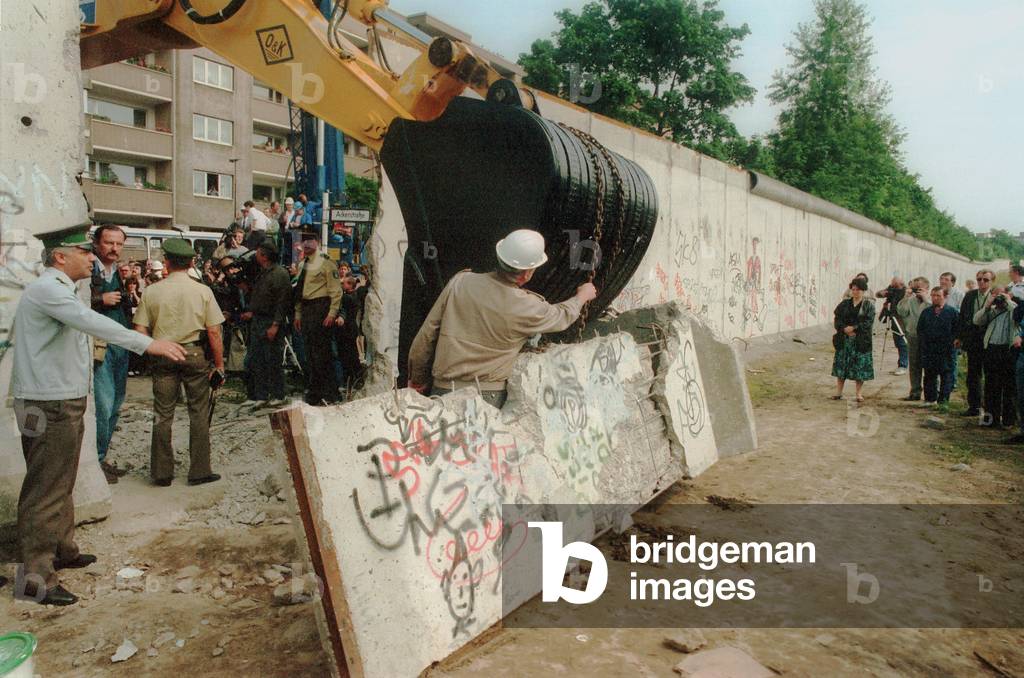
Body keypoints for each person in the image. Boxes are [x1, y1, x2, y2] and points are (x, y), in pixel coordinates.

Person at [11, 227, 185, 606]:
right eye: (83, 251)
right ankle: (35, 579)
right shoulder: (50, 290)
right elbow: (93, 323)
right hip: (50, 403)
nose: (91, 257)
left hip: (56, 399)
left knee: (61, 479)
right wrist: (148, 344)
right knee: (46, 488)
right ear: (60, 257)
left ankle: (62, 549)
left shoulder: (61, 289)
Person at [408, 229, 597, 408]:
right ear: (527, 273)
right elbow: (562, 315)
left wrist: (417, 379)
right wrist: (582, 296)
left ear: (500, 258)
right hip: (486, 396)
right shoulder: (528, 306)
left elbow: (426, 335)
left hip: (443, 390)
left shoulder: (460, 282)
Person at [133, 239, 225, 486]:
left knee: (162, 414)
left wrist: (153, 350)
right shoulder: (203, 291)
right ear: (192, 263)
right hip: (194, 354)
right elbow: (214, 332)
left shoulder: (151, 291)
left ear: (167, 262)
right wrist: (219, 365)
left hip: (163, 353)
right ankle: (200, 471)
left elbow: (139, 329)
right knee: (198, 412)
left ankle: (161, 473)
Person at [89, 226, 135, 483]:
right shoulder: (88, 269)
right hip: (100, 346)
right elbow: (71, 304)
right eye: (108, 242)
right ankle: (94, 462)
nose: (114, 248)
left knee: (116, 404)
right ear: (97, 243)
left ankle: (102, 457)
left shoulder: (116, 271)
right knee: (103, 404)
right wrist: (99, 299)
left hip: (119, 345)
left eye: (119, 244)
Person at [293, 232, 342, 404]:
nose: (306, 244)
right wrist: (298, 314)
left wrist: (332, 313)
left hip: (321, 308)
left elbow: (336, 290)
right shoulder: (302, 264)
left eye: (310, 241)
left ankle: (330, 392)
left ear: (318, 242)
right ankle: (315, 391)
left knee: (322, 353)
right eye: (303, 241)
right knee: (309, 353)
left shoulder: (326, 262)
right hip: (307, 309)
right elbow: (300, 291)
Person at [242, 240, 292, 407]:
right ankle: (261, 396)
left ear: (264, 256)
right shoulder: (263, 273)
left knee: (273, 360)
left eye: (258, 253)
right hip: (258, 320)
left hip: (271, 322)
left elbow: (282, 302)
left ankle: (279, 394)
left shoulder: (279, 274)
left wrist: (275, 325)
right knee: (257, 360)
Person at [973, 284, 1017, 428]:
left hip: (1008, 350)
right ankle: (991, 419)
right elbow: (977, 320)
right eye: (995, 294)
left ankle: (1008, 420)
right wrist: (987, 305)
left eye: (1001, 294)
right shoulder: (992, 310)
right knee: (991, 386)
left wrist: (1007, 300)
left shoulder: (1013, 309)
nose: (998, 298)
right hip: (991, 349)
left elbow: (1017, 313)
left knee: (1008, 387)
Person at [831, 278, 875, 402]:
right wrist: (844, 328)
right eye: (853, 289)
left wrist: (854, 328)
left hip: (860, 340)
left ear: (863, 291)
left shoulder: (868, 306)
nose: (855, 292)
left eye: (858, 290)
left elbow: (868, 322)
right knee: (842, 366)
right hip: (844, 339)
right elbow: (837, 318)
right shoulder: (844, 304)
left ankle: (858, 393)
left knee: (859, 367)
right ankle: (838, 392)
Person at [957, 270, 994, 417]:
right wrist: (960, 337)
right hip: (973, 340)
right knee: (973, 374)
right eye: (979, 279)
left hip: (991, 341)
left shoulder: (996, 296)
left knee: (990, 375)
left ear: (992, 281)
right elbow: (962, 316)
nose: (982, 282)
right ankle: (974, 406)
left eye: (985, 279)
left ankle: (990, 409)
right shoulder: (970, 295)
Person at [917, 287, 959, 406]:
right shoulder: (926, 312)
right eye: (933, 295)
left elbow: (957, 329)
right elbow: (920, 329)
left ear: (945, 297)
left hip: (946, 349)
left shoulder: (952, 312)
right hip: (930, 349)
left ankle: (943, 401)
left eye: (938, 296)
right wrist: (924, 344)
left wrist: (955, 341)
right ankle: (930, 399)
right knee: (929, 374)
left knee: (946, 374)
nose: (935, 298)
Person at [895, 277, 929, 401]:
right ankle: (915, 392)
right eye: (914, 288)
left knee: (929, 366)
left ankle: (931, 394)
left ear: (926, 288)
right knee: (914, 364)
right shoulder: (911, 300)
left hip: (928, 337)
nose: (916, 291)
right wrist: (906, 297)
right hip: (913, 335)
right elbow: (902, 312)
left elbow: (934, 310)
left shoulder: (931, 299)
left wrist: (925, 299)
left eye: (919, 288)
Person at [876, 276, 907, 375]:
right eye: (892, 284)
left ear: (901, 284)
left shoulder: (905, 292)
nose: (893, 287)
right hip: (892, 317)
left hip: (901, 320)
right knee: (898, 342)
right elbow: (878, 294)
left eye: (895, 285)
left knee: (902, 342)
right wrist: (882, 293)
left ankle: (903, 365)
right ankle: (901, 364)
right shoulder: (891, 289)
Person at [939, 272, 964, 390]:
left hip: (952, 330)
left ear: (952, 283)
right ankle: (941, 382)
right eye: (941, 279)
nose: (943, 281)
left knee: (952, 358)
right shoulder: (938, 293)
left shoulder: (959, 294)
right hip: (939, 331)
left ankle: (952, 383)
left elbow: (962, 312)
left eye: (946, 279)